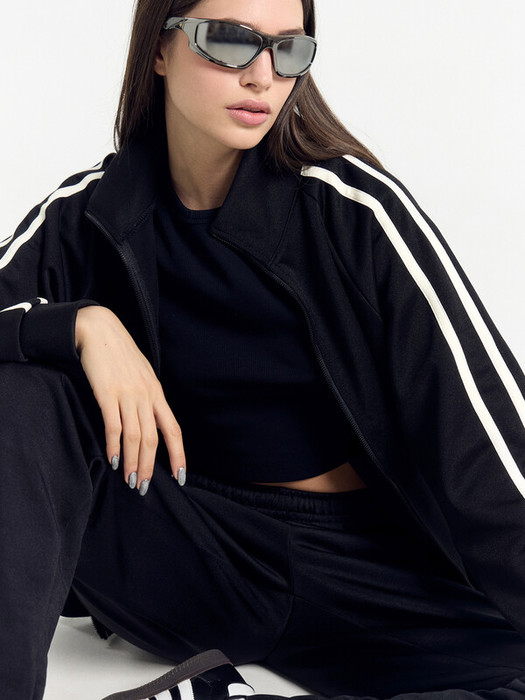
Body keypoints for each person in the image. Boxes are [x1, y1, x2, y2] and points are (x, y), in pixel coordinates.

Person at [1, 0, 525, 698]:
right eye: (229, 41)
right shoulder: (92, 211)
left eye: (288, 49)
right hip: (179, 544)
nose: (262, 76)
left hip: (361, 572)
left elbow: (483, 445)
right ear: (158, 50)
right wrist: (82, 324)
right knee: (21, 384)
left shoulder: (350, 210)